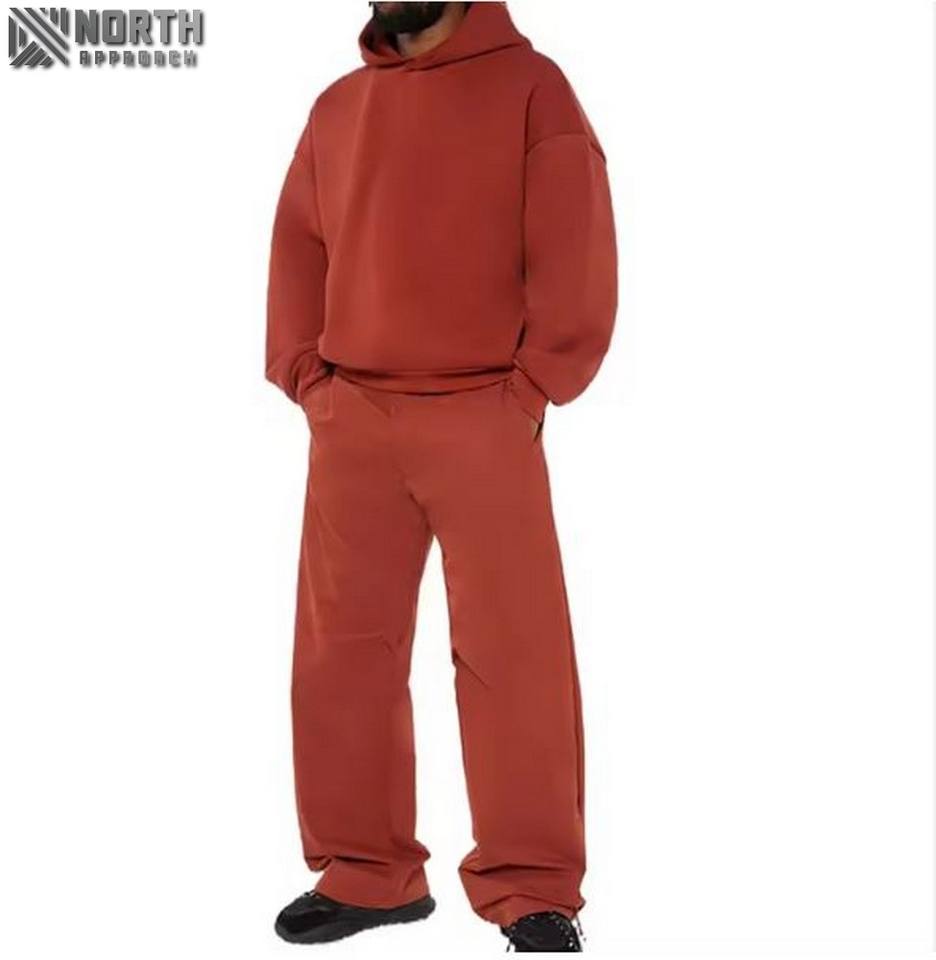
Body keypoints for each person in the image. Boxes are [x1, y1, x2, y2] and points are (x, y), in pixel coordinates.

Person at [266, 1, 617, 951]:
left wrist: (536, 385)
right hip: (353, 413)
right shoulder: (338, 107)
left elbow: (576, 240)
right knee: (342, 656)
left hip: (485, 411)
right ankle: (367, 872)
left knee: (514, 656)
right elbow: (298, 242)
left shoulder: (533, 89)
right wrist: (307, 378)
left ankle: (533, 885)